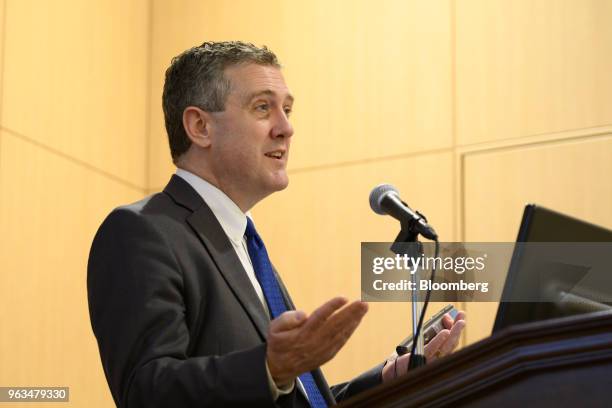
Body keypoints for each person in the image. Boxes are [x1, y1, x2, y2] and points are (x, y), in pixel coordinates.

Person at [87, 41, 465, 408]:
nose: (286, 128)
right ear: (200, 126)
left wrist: (386, 381)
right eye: (263, 107)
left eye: (287, 109)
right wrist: (269, 367)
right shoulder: (141, 232)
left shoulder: (243, 244)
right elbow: (147, 392)